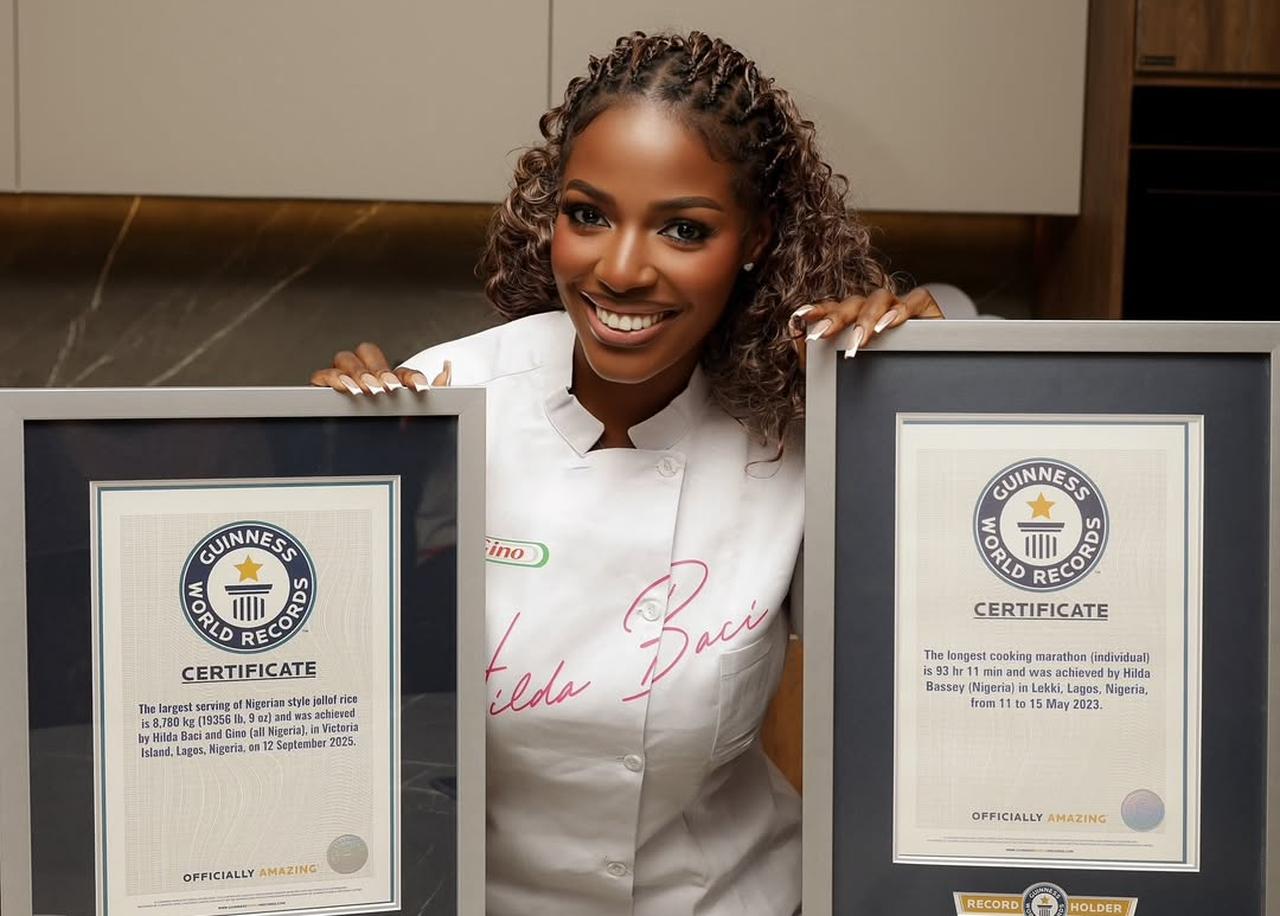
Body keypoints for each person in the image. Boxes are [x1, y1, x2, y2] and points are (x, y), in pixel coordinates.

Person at [312, 30, 942, 916]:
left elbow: (939, 659)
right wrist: (319, 461)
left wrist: (927, 391)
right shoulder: (438, 405)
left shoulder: (808, 424)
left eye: (684, 228)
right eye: (589, 214)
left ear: (756, 237)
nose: (619, 269)